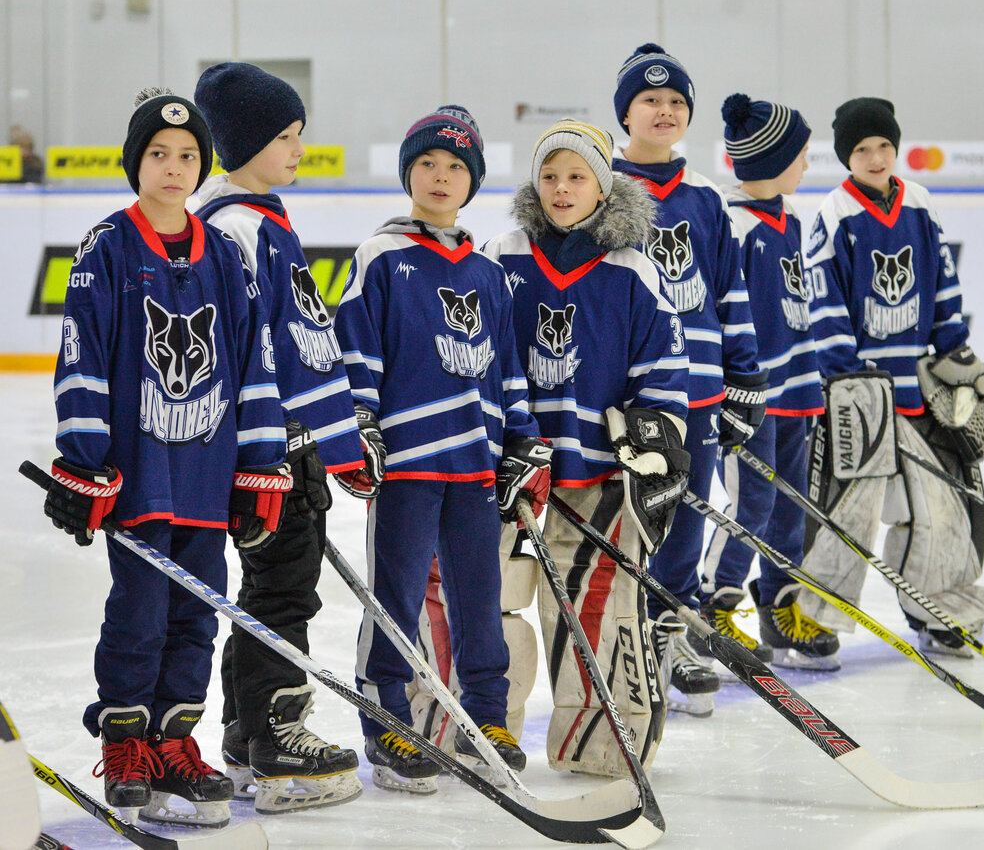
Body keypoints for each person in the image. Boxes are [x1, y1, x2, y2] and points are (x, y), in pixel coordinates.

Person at [41, 88, 291, 827]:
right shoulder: (107, 248)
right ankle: (126, 745)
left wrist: (259, 465)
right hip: (141, 477)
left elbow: (255, 363)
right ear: (136, 164)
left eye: (188, 157)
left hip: (209, 480)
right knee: (141, 611)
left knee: (197, 612)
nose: (175, 167)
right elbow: (80, 359)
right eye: (159, 154)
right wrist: (84, 462)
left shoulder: (225, 254)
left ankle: (175, 741)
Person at [334, 106, 546, 794]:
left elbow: (507, 366)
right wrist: (362, 422)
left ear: (473, 182)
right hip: (408, 465)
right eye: (427, 163)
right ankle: (388, 720)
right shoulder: (381, 257)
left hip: (475, 466)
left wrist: (519, 440)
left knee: (480, 600)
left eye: (456, 167)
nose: (441, 176)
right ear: (407, 173)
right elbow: (356, 349)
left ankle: (487, 717)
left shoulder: (487, 274)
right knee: (393, 598)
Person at [482, 119, 688, 774]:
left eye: (577, 176)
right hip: (513, 473)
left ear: (603, 186)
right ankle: (487, 729)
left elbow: (662, 370)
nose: (562, 188)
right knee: (497, 602)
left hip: (596, 475)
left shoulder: (633, 267)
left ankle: (599, 741)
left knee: (594, 611)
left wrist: (654, 437)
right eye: (549, 175)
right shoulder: (502, 253)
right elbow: (476, 354)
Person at [192, 62, 364, 813]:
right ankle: (275, 732)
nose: (299, 149)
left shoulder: (249, 220)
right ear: (246, 142)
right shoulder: (241, 228)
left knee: (271, 582)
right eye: (286, 136)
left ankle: (244, 729)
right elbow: (287, 346)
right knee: (283, 584)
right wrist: (343, 441)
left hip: (276, 443)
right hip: (272, 447)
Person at [802, 97, 984, 657]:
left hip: (918, 383)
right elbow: (825, 303)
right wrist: (846, 371)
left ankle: (937, 609)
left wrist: (956, 353)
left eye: (884, 146)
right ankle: (815, 614)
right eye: (863, 149)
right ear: (847, 155)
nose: (875, 157)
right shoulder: (834, 215)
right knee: (849, 512)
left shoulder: (918, 203)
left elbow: (943, 285)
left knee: (937, 507)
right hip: (859, 393)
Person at [611, 43, 765, 715]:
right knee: (628, 520)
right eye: (650, 100)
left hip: (698, 389)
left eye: (677, 102)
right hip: (628, 393)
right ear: (626, 112)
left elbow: (731, 292)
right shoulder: (599, 186)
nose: (665, 110)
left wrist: (745, 379)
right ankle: (625, 635)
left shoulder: (706, 197)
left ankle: (670, 632)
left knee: (686, 521)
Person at [693, 93, 827, 669]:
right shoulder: (734, 224)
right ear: (773, 159)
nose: (807, 165)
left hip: (797, 387)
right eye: (800, 154)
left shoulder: (792, 218)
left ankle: (778, 604)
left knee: (792, 504)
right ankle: (714, 605)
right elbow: (724, 311)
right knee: (753, 503)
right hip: (754, 395)